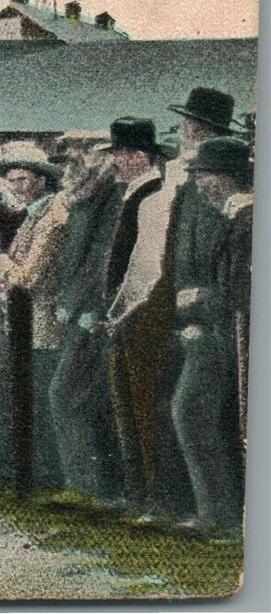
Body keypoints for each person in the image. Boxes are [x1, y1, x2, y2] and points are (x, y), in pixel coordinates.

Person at [171, 136, 249, 532]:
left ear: (227, 177)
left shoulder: (246, 220)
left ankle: (219, 515)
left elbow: (241, 291)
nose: (200, 184)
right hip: (218, 334)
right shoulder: (233, 216)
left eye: (206, 175)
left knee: (191, 412)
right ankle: (217, 514)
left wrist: (200, 299)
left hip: (231, 337)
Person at [46, 132, 126, 500]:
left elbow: (101, 258)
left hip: (92, 312)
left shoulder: (109, 196)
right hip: (78, 310)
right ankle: (88, 487)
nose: (66, 168)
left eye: (72, 159)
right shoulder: (84, 197)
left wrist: (79, 305)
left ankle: (85, 488)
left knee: (65, 394)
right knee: (81, 398)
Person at [0, 142, 67, 488]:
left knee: (38, 401)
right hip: (24, 321)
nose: (15, 186)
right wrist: (7, 267)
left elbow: (26, 276)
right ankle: (25, 473)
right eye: (12, 180)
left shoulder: (53, 216)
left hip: (42, 324)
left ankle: (44, 476)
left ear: (41, 180)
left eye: (22, 179)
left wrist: (3, 263)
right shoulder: (33, 214)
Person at [98, 117, 168, 514]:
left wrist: (120, 311)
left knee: (142, 406)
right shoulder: (132, 195)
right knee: (125, 406)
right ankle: (137, 492)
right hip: (123, 315)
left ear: (141, 156)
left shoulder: (152, 197)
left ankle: (151, 495)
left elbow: (145, 267)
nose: (116, 162)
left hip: (139, 314)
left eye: (122, 154)